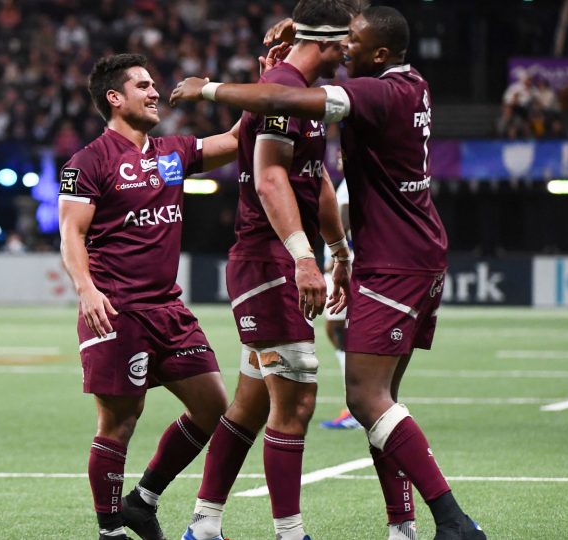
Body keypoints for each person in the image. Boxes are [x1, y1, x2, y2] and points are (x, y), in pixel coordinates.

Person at [170, 6, 486, 540]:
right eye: (340, 41)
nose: (346, 49)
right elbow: (287, 161)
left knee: (365, 398)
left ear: (378, 53)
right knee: (355, 400)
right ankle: (398, 528)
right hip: (388, 256)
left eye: (353, 43)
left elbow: (286, 105)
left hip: (393, 261)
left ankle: (451, 523)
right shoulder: (409, 84)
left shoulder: (370, 93)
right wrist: (334, 253)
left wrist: (208, 88)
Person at [182, 2, 352, 540]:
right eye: (344, 45)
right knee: (298, 400)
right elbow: (270, 178)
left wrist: (339, 251)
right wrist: (306, 258)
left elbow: (314, 178)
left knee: (251, 406)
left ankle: (204, 525)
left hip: (275, 257)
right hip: (269, 259)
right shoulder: (281, 92)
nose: (349, 55)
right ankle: (290, 533)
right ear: (324, 43)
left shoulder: (293, 92)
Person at [59, 53, 240, 540]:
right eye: (143, 85)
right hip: (117, 311)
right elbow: (71, 234)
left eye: (154, 84)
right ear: (115, 99)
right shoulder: (87, 162)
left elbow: (239, 141)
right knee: (120, 420)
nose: (155, 91)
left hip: (168, 308)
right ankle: (110, 529)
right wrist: (87, 289)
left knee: (213, 408)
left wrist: (270, 80)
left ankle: (144, 499)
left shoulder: (171, 153)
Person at [318, 173, 361, 430]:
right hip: (345, 260)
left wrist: (339, 256)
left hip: (342, 262)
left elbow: (344, 220)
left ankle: (356, 407)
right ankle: (358, 403)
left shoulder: (347, 185)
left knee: (341, 330)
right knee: (337, 330)